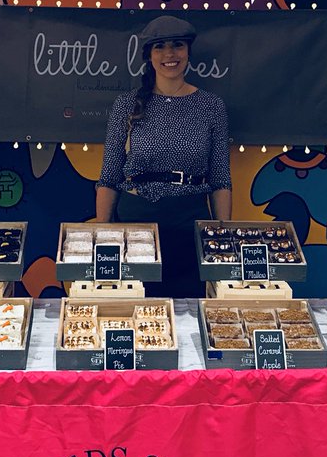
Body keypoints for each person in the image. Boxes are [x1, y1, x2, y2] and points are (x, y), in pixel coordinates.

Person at [96, 15, 232, 299]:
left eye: (177, 45)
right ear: (149, 56)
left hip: (189, 222)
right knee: (133, 310)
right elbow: (109, 176)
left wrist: (220, 235)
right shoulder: (127, 104)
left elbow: (220, 179)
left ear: (188, 52)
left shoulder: (212, 106)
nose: (169, 54)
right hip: (135, 224)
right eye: (160, 47)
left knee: (190, 309)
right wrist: (105, 236)